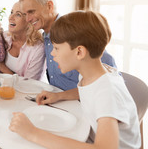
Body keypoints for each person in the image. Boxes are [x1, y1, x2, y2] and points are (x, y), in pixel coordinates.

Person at [9, 11, 141, 149]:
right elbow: (87, 90)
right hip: (91, 135)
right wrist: (59, 95)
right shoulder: (91, 73)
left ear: (79, 52)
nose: (52, 53)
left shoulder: (107, 92)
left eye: (57, 48)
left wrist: (33, 133)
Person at [19, 0, 117, 91]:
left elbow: (107, 70)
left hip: (81, 102)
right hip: (59, 100)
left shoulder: (74, 29)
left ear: (49, 6)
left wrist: (59, 96)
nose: (28, 19)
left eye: (31, 12)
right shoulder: (45, 36)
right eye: (25, 14)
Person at [0, 2, 45, 80]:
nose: (11, 17)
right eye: (11, 12)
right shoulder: (4, 37)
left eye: (18, 14)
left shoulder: (38, 49)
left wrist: (2, 67)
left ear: (29, 21)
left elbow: (30, 83)